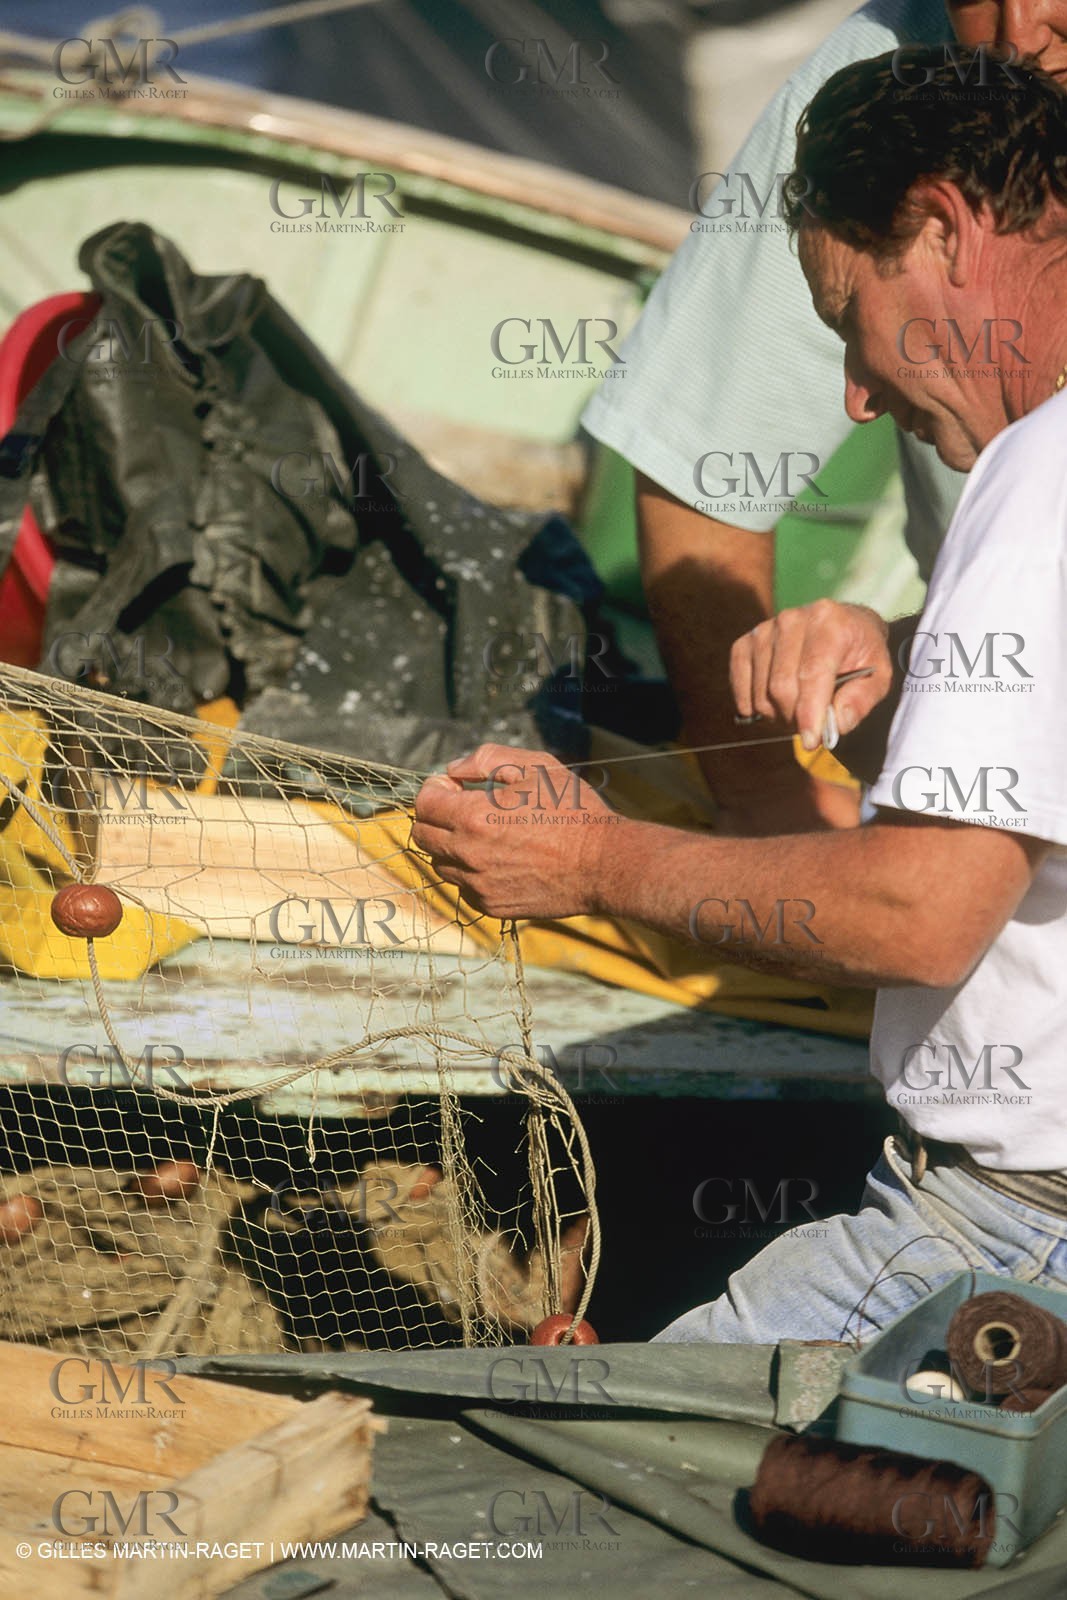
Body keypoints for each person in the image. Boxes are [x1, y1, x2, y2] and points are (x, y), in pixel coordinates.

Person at [413, 48, 1067, 1344]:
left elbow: (920, 916)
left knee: (574, 1485)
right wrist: (909, 652)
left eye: (848, 320)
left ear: (940, 229)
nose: (854, 393)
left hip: (1007, 1238)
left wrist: (586, 857)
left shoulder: (1036, 473)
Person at [582, 0, 1067, 837]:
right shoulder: (893, 62)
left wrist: (599, 867)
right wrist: (768, 802)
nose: (1016, 36)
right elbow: (706, 448)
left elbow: (925, 917)